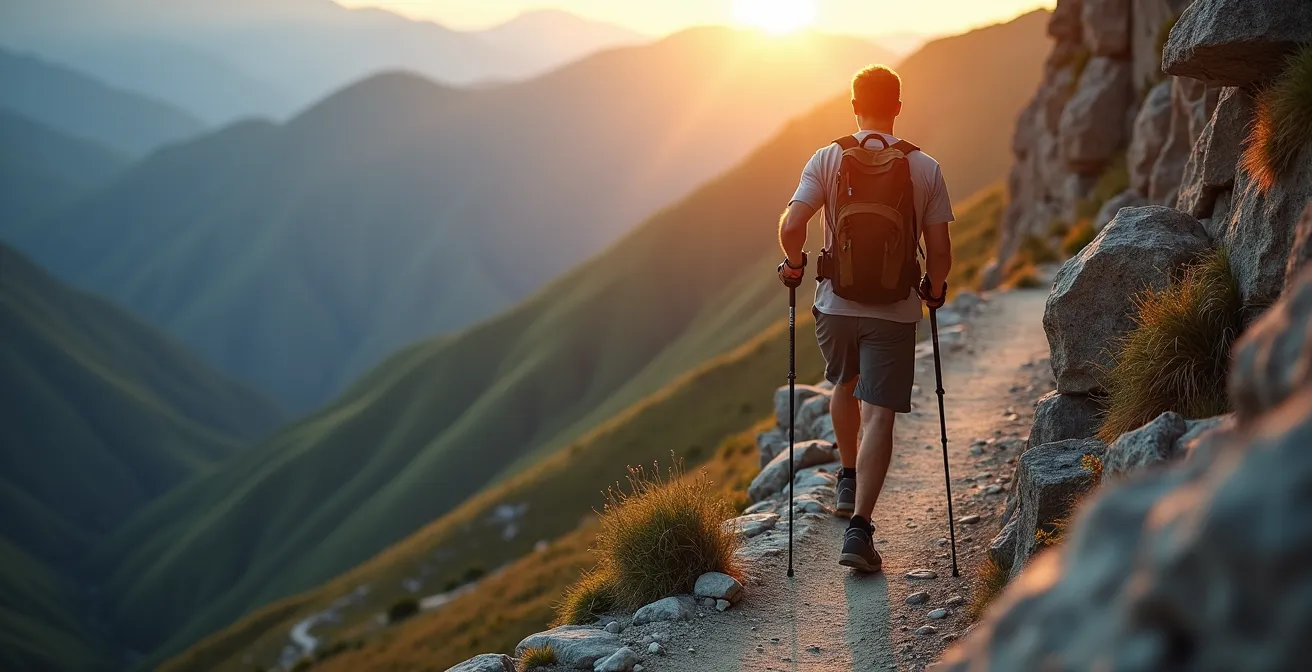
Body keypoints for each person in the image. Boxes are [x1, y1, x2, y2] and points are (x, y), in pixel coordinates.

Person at [776, 64, 954, 573]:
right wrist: (934, 291)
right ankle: (860, 530)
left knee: (843, 382)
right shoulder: (925, 168)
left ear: (854, 104)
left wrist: (794, 264)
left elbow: (793, 225)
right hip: (895, 311)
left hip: (836, 304)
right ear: (898, 106)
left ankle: (847, 475)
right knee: (879, 412)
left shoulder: (827, 156)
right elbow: (939, 249)